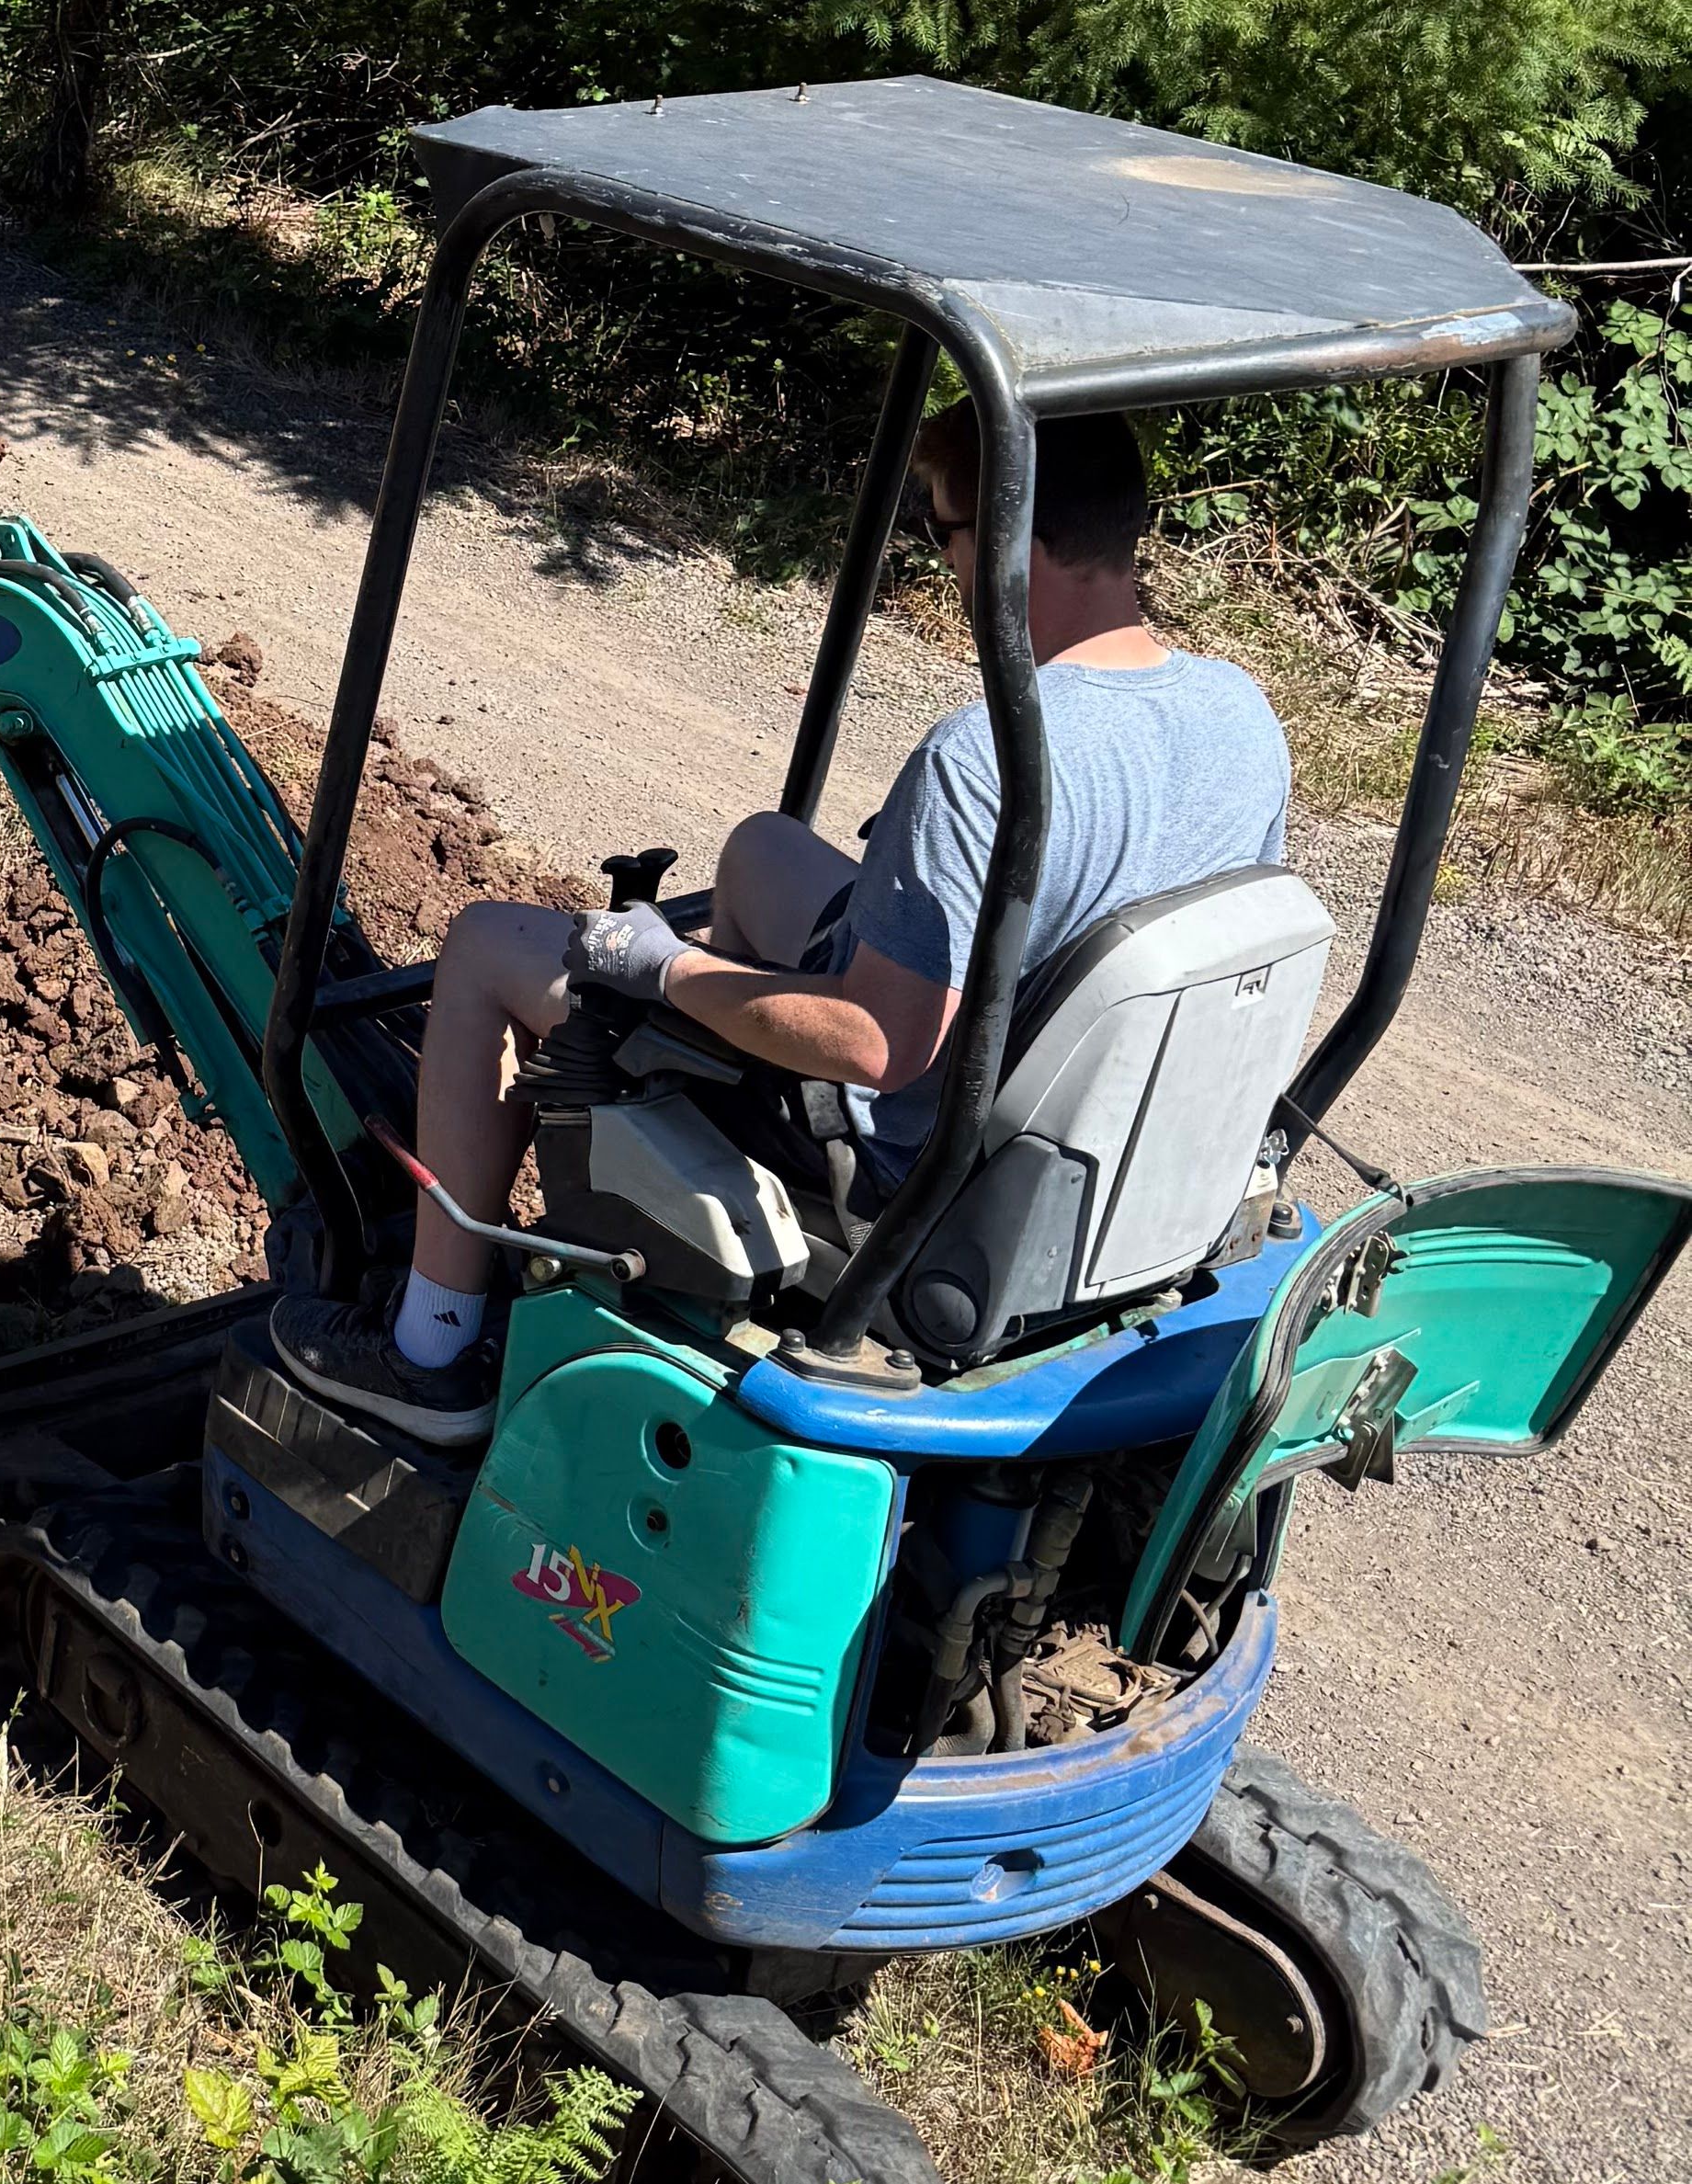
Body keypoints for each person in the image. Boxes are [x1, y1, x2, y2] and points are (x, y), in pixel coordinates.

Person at [346, 404, 1290, 1448]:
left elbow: (879, 1047)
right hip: (1088, 1143)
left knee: (486, 941)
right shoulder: (1240, 714)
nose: (943, 566)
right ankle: (672, 1134)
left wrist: (667, 973)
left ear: (1011, 542)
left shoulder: (986, 759)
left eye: (945, 535)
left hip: (915, 1163)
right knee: (761, 848)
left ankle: (430, 1352)